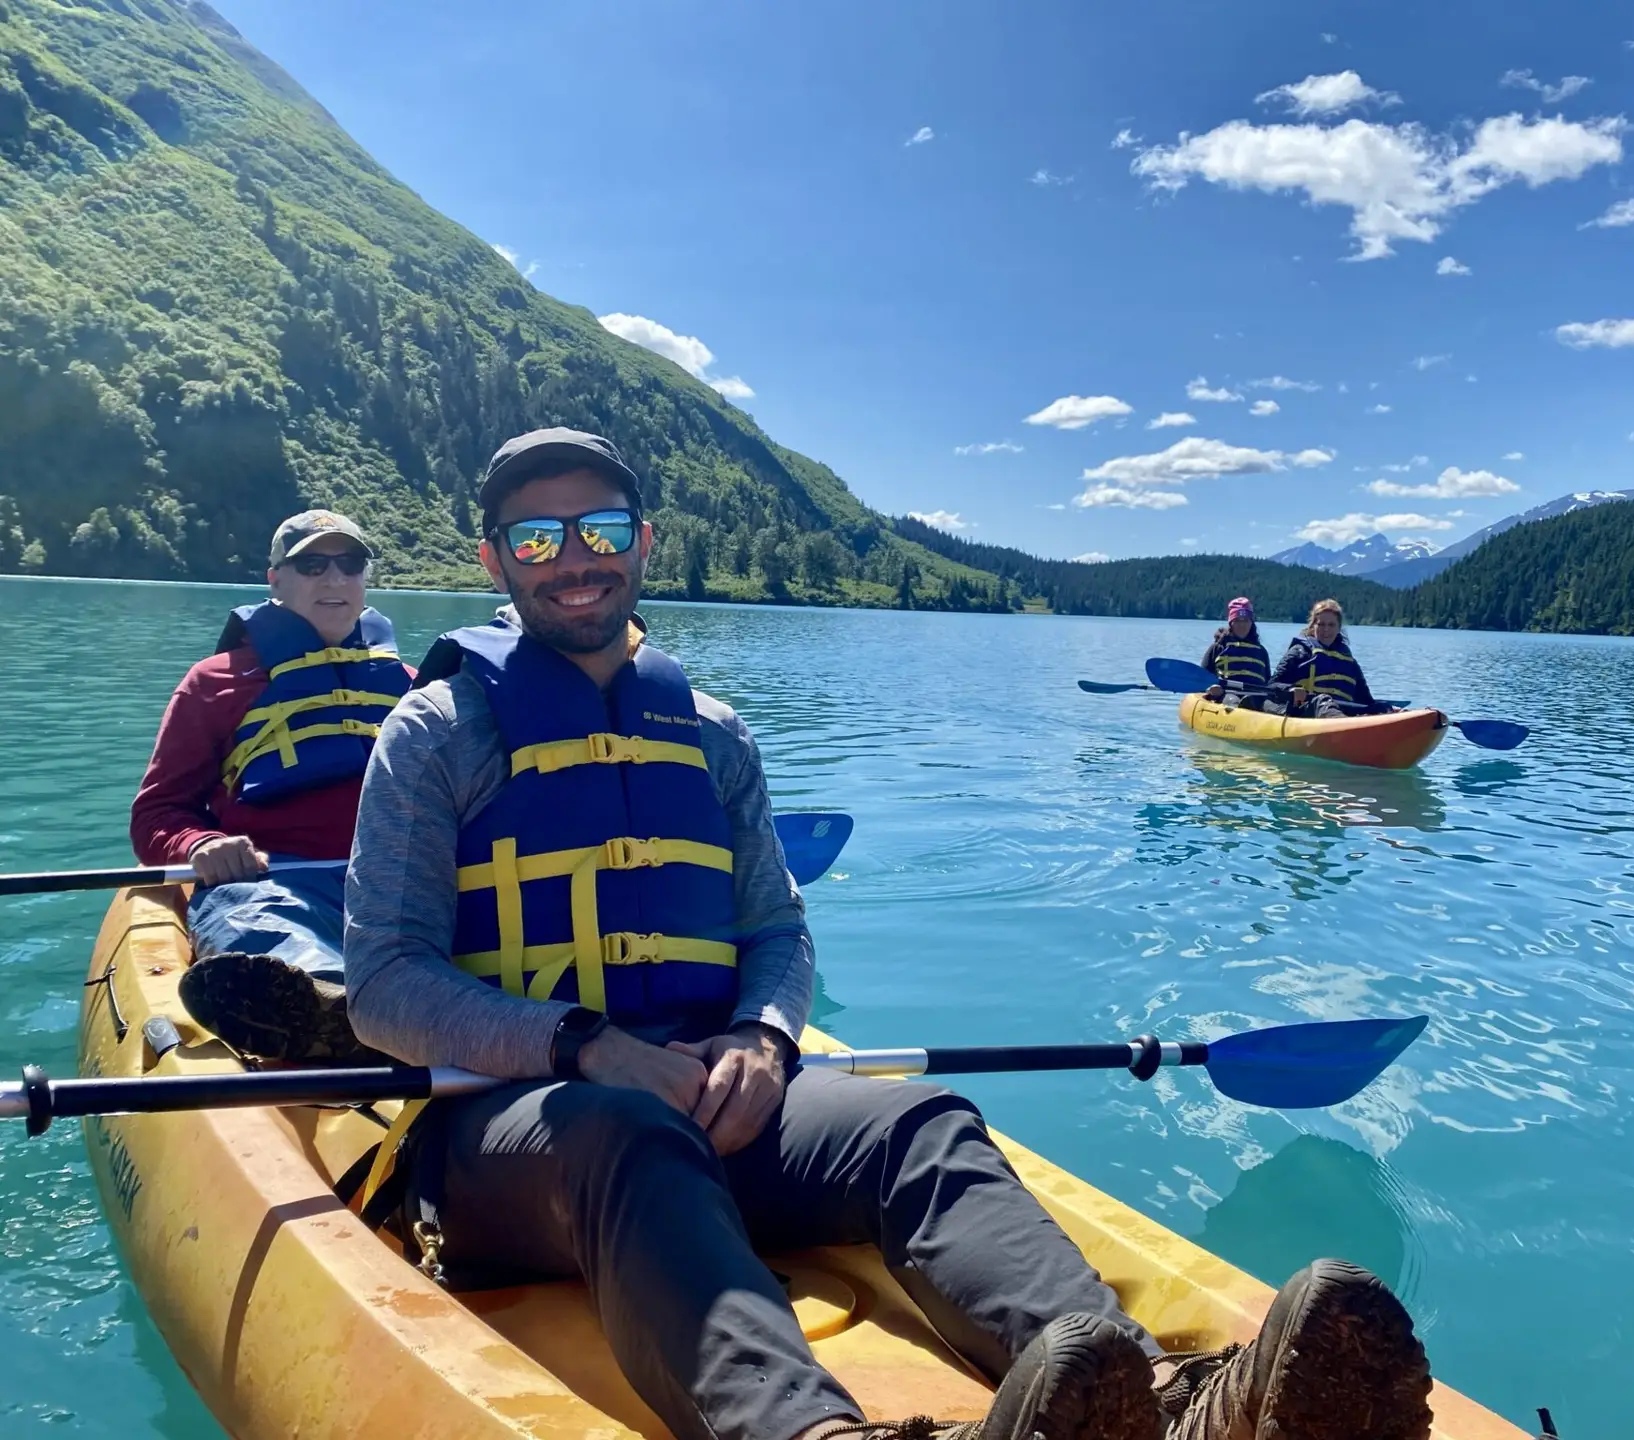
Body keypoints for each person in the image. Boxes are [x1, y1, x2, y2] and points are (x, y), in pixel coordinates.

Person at [342, 427, 1433, 1440]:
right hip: (511, 1132)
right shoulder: (436, 733)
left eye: (603, 528)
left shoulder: (711, 735)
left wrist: (763, 1038)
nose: (576, 558)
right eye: (539, 537)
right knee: (626, 1134)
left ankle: (1154, 1405)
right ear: (495, 561)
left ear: (645, 543)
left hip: (710, 1104)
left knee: (917, 1121)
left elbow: (778, 931)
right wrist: (585, 1047)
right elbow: (385, 983)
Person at [130, 509, 412, 1061]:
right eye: (312, 565)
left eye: (350, 564)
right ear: (275, 579)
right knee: (251, 921)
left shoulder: (410, 687)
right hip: (273, 883)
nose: (335, 579)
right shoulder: (214, 683)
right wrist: (201, 845)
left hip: (401, 884)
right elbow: (157, 814)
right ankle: (330, 1013)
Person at [1272, 598, 1381, 718]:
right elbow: (1272, 685)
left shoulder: (1350, 663)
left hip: (1345, 714)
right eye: (1321, 624)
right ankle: (1341, 723)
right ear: (1313, 626)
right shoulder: (1299, 653)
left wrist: (1384, 709)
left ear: (1339, 628)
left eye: (1331, 625)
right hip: (1308, 712)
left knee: (1381, 707)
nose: (1326, 629)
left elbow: (1366, 701)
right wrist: (1290, 689)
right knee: (1322, 701)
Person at [1200, 597, 1271, 709]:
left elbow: (1268, 682)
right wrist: (1211, 688)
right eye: (1238, 620)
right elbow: (1202, 679)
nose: (1242, 625)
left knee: (1270, 706)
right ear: (1231, 623)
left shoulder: (1261, 651)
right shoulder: (1218, 648)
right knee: (1233, 701)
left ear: (1251, 623)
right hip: (1227, 694)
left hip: (1258, 697)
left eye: (1246, 620)